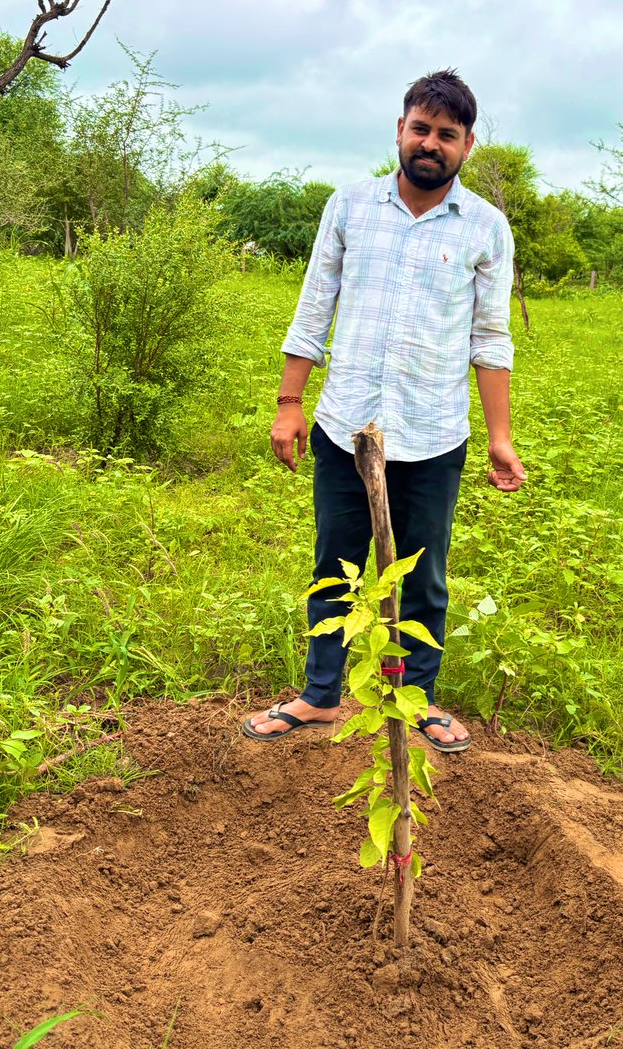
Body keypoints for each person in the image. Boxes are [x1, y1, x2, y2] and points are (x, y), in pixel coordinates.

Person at [243, 69, 526, 752]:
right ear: (400, 130)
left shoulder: (486, 227)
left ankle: (414, 698)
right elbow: (314, 308)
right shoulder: (349, 207)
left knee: (423, 576)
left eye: (447, 135)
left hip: (433, 433)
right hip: (346, 426)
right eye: (420, 129)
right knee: (335, 567)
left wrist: (500, 437)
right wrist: (289, 404)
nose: (431, 144)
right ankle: (319, 696)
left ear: (467, 145)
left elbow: (490, 339)